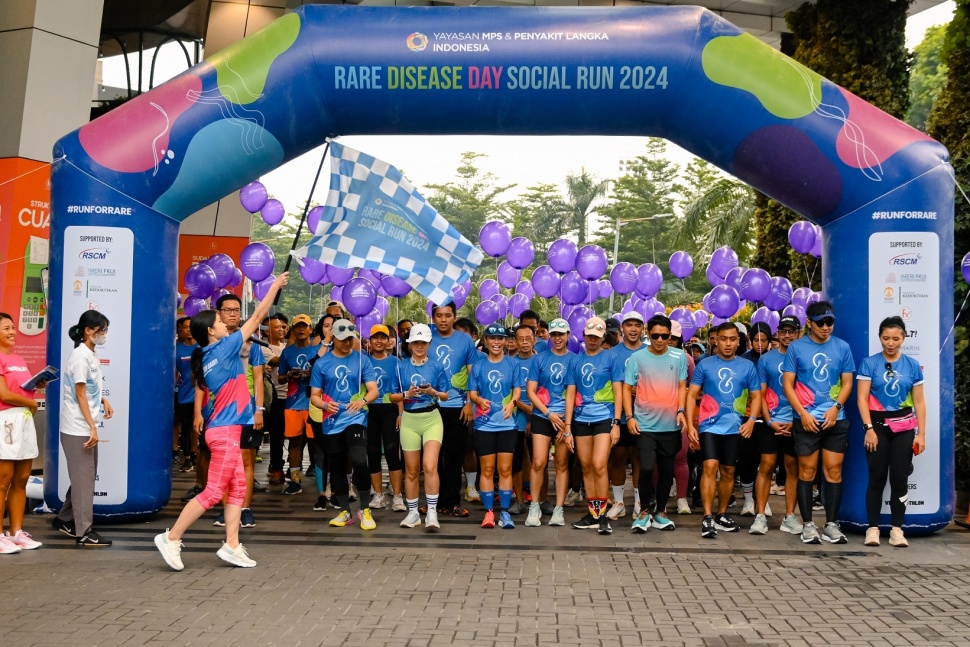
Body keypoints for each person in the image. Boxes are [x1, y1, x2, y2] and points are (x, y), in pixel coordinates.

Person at [154, 273, 288, 570]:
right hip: (225, 433)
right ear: (212, 332)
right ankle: (172, 537)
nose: (226, 322)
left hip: (225, 430)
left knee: (238, 488)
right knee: (214, 492)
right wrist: (275, 287)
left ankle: (231, 544)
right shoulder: (223, 348)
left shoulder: (209, 354)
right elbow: (257, 317)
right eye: (220, 319)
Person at [782, 301, 855, 545]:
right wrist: (802, 413)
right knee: (807, 471)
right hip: (806, 419)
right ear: (809, 324)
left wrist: (837, 408)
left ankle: (831, 525)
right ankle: (808, 525)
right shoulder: (796, 348)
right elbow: (788, 385)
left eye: (830, 322)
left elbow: (847, 383)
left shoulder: (842, 347)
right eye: (820, 323)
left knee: (833, 471)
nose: (826, 327)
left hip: (836, 419)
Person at [686, 322, 761, 539]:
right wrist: (691, 424)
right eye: (723, 339)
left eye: (732, 339)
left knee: (728, 471)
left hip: (735, 428)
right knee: (710, 466)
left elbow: (756, 396)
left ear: (739, 342)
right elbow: (692, 395)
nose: (728, 344)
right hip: (709, 425)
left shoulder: (747, 367)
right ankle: (707, 516)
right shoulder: (704, 365)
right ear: (715, 341)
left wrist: (751, 420)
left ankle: (722, 514)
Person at [857, 316, 926, 548]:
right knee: (876, 478)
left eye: (896, 338)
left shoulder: (913, 366)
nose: (890, 343)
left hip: (904, 428)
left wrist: (921, 434)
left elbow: (920, 402)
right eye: (886, 338)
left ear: (904, 338)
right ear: (879, 338)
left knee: (899, 479)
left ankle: (897, 530)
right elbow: (862, 398)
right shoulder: (869, 363)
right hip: (876, 426)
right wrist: (868, 429)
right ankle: (873, 529)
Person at [308, 319, 379, 530]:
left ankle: (364, 509)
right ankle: (345, 512)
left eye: (350, 338)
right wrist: (324, 404)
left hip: (356, 417)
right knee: (337, 466)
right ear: (334, 339)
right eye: (342, 339)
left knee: (359, 459)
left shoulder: (361, 360)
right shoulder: (322, 363)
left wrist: (363, 401)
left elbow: (374, 390)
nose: (347, 343)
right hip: (331, 421)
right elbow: (314, 396)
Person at [52, 310, 114, 547]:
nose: (105, 335)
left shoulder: (90, 353)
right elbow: (78, 394)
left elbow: (88, 389)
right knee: (84, 481)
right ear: (89, 331)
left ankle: (65, 519)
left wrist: (102, 400)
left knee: (83, 478)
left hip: (83, 425)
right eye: (102, 330)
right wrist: (92, 426)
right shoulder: (80, 356)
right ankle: (84, 532)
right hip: (77, 427)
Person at [624, 314, 688, 532]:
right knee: (647, 467)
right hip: (644, 425)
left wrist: (681, 410)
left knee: (667, 470)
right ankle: (643, 512)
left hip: (670, 425)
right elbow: (626, 388)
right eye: (655, 336)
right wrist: (629, 417)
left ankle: (660, 511)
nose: (660, 340)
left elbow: (682, 386)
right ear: (648, 335)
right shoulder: (637, 358)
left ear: (670, 335)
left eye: (665, 336)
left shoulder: (679, 356)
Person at [565, 316, 624, 535]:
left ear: (602, 338)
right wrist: (567, 426)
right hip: (580, 419)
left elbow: (618, 392)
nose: (592, 340)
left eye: (597, 337)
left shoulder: (611, 358)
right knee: (586, 466)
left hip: (604, 418)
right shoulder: (576, 360)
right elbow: (570, 394)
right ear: (583, 336)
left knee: (599, 464)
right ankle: (594, 513)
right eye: (589, 336)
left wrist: (616, 422)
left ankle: (604, 516)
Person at [213, 294, 266, 529]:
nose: (233, 314)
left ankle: (244, 508)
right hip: (219, 412)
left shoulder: (251, 343)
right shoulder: (212, 341)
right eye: (228, 310)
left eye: (236, 310)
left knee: (246, 460)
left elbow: (258, 377)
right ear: (219, 313)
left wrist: (260, 410)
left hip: (246, 410)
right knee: (223, 460)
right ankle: (227, 510)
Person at [390, 323, 449, 530]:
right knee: (412, 471)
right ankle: (413, 512)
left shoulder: (436, 365)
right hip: (409, 419)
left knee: (430, 466)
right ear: (409, 344)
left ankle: (432, 513)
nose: (419, 345)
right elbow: (391, 396)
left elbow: (445, 394)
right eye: (416, 342)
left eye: (423, 342)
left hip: (432, 418)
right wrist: (407, 394)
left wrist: (433, 392)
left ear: (429, 343)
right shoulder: (401, 366)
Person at [0, 312, 46, 553]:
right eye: (5, 328)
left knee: (21, 479)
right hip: (5, 420)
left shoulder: (18, 358)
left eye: (13, 327)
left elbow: (19, 388)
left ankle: (16, 532)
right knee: (3, 480)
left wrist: (36, 387)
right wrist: (29, 403)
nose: (11, 331)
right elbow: (4, 394)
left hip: (24, 420)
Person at [468, 323, 521, 529]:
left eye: (500, 339)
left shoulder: (512, 364)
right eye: (492, 338)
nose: (497, 342)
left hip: (507, 424)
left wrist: (512, 402)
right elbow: (472, 393)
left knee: (505, 468)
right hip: (484, 425)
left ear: (505, 341)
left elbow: (517, 390)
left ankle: (505, 513)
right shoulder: (479, 365)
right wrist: (479, 400)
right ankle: (489, 512)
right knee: (487, 469)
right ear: (486, 341)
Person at [429, 303, 478, 517]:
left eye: (447, 315)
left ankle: (452, 501)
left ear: (454, 317)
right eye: (439, 316)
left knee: (455, 457)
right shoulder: (426, 337)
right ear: (433, 318)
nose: (443, 320)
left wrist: (469, 402)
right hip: (431, 407)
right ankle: (435, 502)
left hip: (458, 406)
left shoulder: (465, 340)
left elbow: (472, 373)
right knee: (433, 458)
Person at [525, 318, 574, 527]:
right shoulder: (539, 359)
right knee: (538, 462)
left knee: (562, 464)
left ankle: (559, 508)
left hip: (565, 420)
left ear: (568, 336)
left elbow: (573, 394)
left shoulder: (574, 359)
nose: (557, 338)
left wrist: (567, 423)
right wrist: (548, 414)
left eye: (561, 334)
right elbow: (530, 392)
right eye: (553, 334)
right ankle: (534, 506)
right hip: (542, 417)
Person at [756, 316, 803, 536]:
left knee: (792, 469)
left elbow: (807, 394)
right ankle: (759, 516)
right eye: (783, 331)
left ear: (798, 333)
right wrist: (769, 422)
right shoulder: (766, 359)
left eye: (791, 331)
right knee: (766, 466)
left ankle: (789, 517)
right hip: (771, 423)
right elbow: (761, 395)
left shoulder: (805, 357)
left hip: (796, 423)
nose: (787, 335)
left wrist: (796, 421)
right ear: (778, 333)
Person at [605, 312, 646, 521]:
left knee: (640, 459)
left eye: (636, 325)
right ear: (622, 327)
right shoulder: (613, 353)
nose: (632, 329)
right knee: (618, 459)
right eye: (628, 325)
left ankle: (639, 502)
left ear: (642, 328)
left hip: (645, 416)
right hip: (619, 416)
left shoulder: (649, 351)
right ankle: (619, 502)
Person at [278, 314, 320, 495]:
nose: (301, 329)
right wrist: (289, 376)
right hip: (293, 403)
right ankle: (295, 481)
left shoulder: (319, 350)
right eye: (298, 327)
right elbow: (280, 377)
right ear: (293, 330)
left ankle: (321, 481)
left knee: (316, 443)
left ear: (311, 329)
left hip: (315, 403)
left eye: (305, 326)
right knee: (294, 443)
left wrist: (314, 373)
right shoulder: (287, 352)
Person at [366, 324, 405, 511]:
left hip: (390, 409)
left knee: (392, 452)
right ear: (370, 341)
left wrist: (400, 413)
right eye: (376, 337)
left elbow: (401, 390)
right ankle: (378, 495)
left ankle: (397, 496)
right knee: (372, 453)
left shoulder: (396, 362)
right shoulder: (363, 361)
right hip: (369, 410)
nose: (379, 341)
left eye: (383, 337)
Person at [737, 322, 772, 519]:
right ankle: (749, 500)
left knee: (766, 461)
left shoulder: (773, 360)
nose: (760, 344)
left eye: (764, 340)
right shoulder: (743, 360)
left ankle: (763, 500)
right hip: (747, 415)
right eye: (756, 340)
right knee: (747, 458)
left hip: (768, 417)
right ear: (750, 340)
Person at [666, 320, 695, 516]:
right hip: (655, 415)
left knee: (680, 456)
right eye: (664, 336)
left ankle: (682, 499)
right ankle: (659, 497)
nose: (668, 341)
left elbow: (694, 389)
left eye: (673, 338)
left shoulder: (687, 360)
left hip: (680, 414)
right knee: (660, 458)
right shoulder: (647, 357)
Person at [509, 324, 536, 513]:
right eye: (521, 339)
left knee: (538, 461)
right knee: (515, 461)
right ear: (515, 341)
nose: (524, 342)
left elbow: (545, 394)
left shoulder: (542, 361)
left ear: (535, 339)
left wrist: (531, 419)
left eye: (528, 338)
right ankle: (519, 500)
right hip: (514, 420)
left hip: (538, 417)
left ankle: (539, 500)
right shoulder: (510, 363)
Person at [261, 314, 289, 485]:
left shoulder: (286, 346)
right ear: (266, 331)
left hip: (291, 396)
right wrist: (295, 348)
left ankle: (293, 468)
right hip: (274, 398)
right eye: (276, 327)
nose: (281, 329)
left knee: (291, 435)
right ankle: (276, 466)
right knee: (276, 434)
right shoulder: (264, 348)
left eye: (282, 326)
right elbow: (280, 361)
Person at [174, 318, 198, 473]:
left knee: (198, 428)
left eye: (191, 327)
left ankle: (196, 454)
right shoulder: (177, 349)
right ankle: (187, 458)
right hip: (183, 394)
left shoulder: (202, 348)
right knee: (186, 426)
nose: (188, 330)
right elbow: (173, 371)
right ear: (181, 330)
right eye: (185, 327)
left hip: (201, 395)